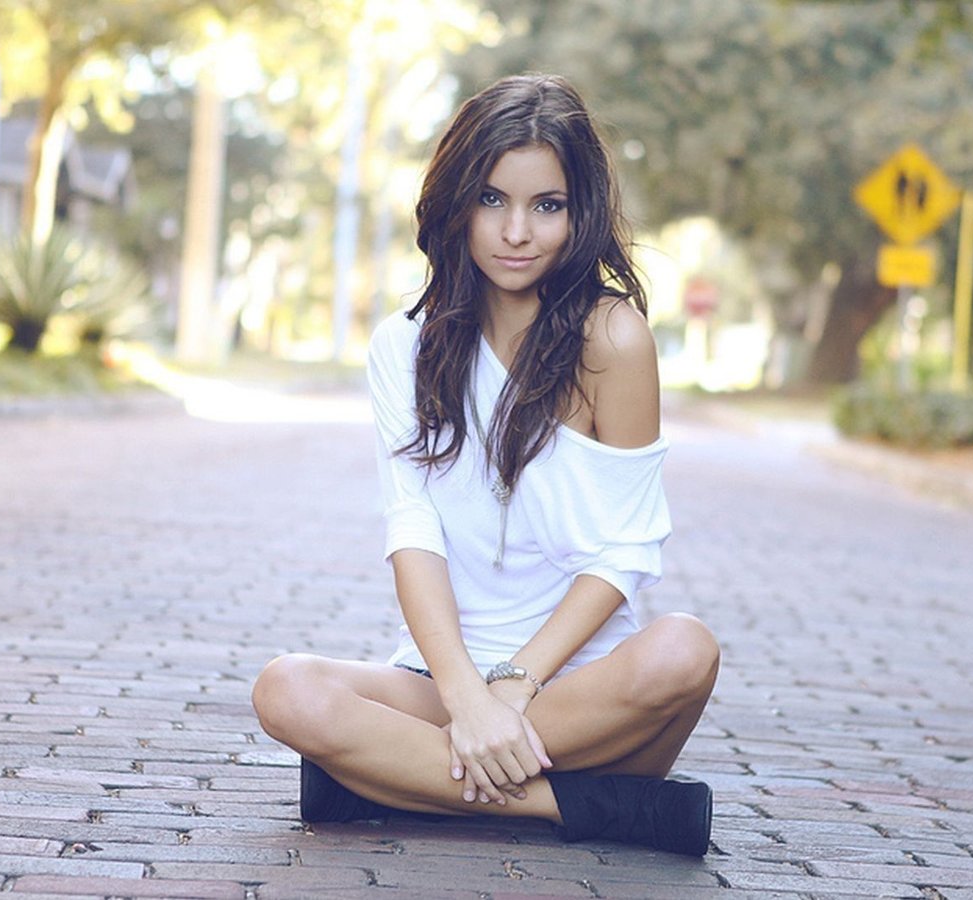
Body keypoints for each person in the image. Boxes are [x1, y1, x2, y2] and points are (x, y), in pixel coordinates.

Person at [251, 73, 721, 856]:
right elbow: (415, 533)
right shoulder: (403, 347)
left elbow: (625, 550)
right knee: (286, 688)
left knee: (686, 650)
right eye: (493, 199)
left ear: (580, 213)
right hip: (439, 688)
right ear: (457, 201)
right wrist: (466, 697)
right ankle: (582, 807)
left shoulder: (613, 340)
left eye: (547, 205)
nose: (517, 231)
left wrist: (515, 686)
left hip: (583, 689)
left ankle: (389, 781)